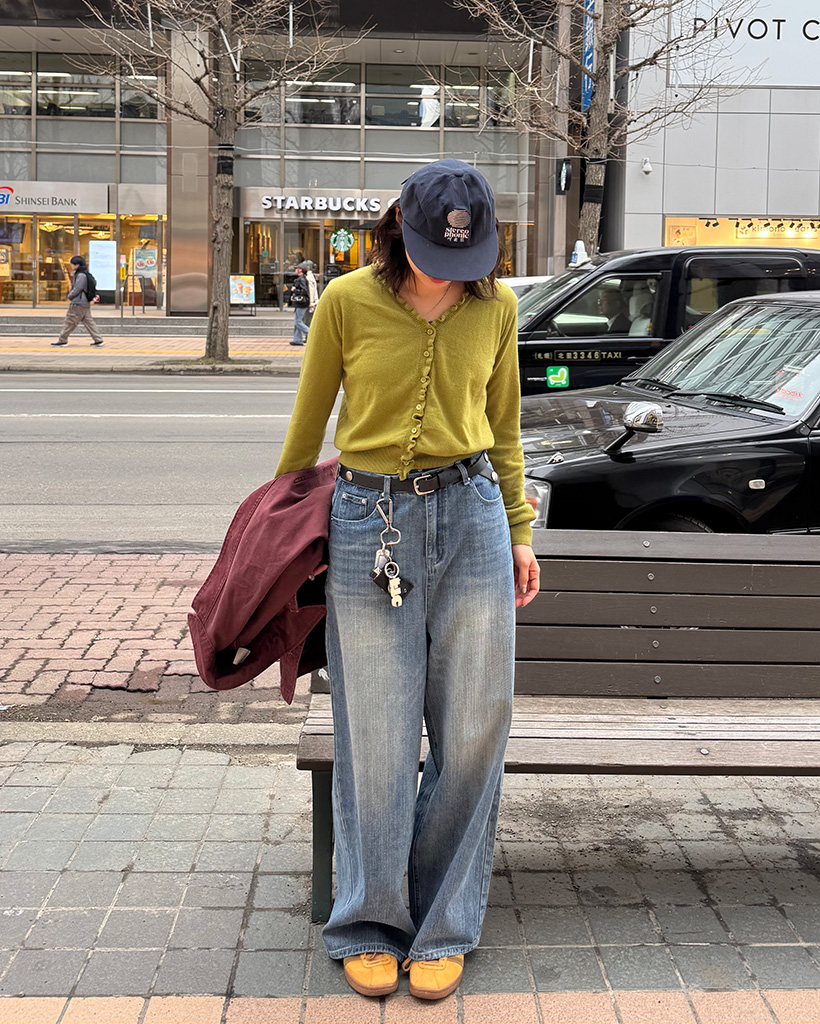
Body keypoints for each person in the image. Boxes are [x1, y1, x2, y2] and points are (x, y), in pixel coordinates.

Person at [275, 159, 539, 1001]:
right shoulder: (346, 301)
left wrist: (520, 531)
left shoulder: (497, 308)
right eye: (434, 253)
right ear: (399, 230)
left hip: (473, 518)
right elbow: (308, 425)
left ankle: (445, 922)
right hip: (367, 520)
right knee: (377, 734)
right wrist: (283, 533)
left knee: (473, 729)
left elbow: (504, 427)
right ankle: (368, 921)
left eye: (465, 256)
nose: (449, 272)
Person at [51, 255, 104, 347]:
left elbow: (77, 288)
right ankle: (98, 339)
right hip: (84, 302)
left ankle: (62, 340)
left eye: (72, 264)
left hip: (78, 302)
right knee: (89, 322)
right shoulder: (85, 274)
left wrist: (70, 296)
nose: (71, 266)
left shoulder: (81, 275)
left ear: (77, 265)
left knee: (70, 322)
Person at [289, 265, 311, 346]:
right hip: (300, 303)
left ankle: (311, 333)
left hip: (301, 303)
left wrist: (295, 290)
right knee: (297, 321)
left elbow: (304, 291)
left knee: (298, 321)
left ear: (300, 270)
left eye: (297, 269)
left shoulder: (301, 279)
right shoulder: (301, 278)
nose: (295, 270)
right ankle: (297, 340)